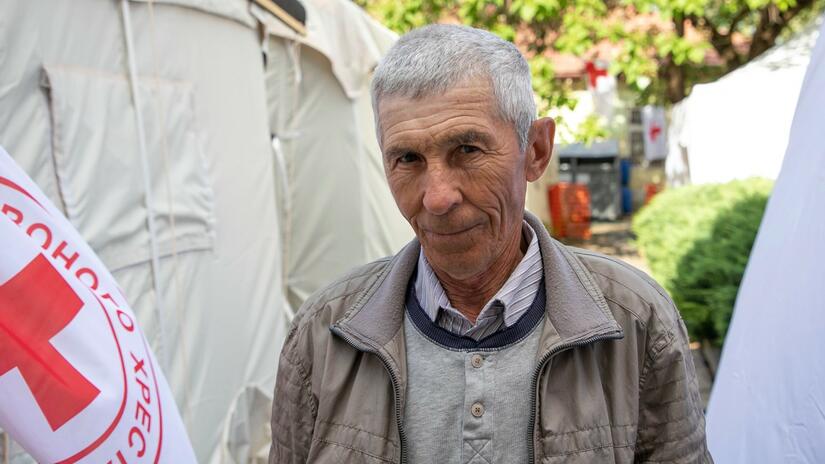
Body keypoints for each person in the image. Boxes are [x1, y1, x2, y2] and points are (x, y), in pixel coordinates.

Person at [269, 24, 712, 464]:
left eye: (467, 150)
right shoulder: (323, 336)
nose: (437, 198)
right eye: (407, 159)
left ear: (536, 151)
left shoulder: (635, 323)